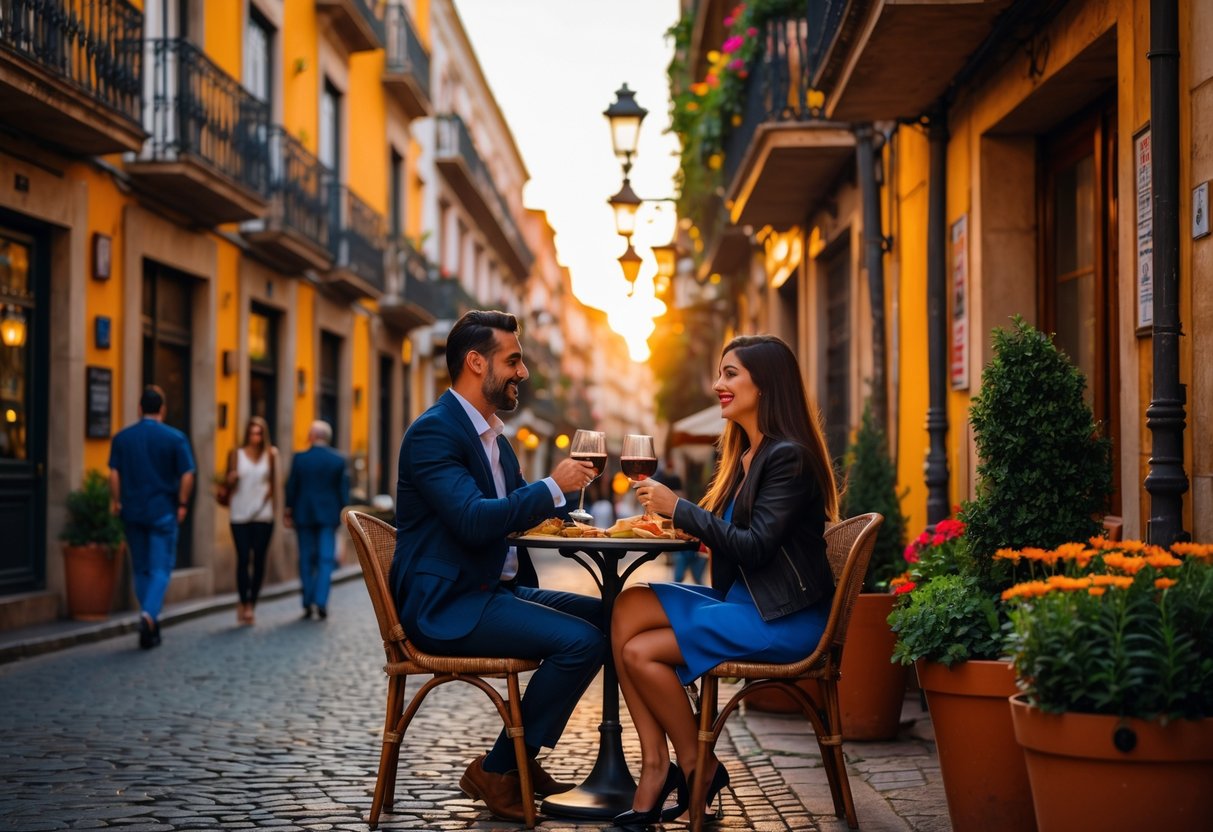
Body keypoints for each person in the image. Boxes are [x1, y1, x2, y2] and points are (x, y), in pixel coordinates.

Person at [611, 335, 840, 827]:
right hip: (749, 601)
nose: (719, 385)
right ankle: (656, 764)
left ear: (765, 383)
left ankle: (697, 765)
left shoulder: (789, 457)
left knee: (639, 651)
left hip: (783, 617)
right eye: (721, 373)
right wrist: (678, 522)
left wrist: (681, 509)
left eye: (730, 374)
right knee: (626, 606)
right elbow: (735, 540)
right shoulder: (747, 456)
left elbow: (754, 544)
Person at [389, 310, 605, 822]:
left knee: (611, 617)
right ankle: (503, 766)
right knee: (582, 642)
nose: (523, 372)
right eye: (513, 360)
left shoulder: (496, 439)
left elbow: (521, 513)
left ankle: (515, 767)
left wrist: (571, 513)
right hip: (449, 604)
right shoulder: (434, 434)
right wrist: (553, 485)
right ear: (474, 362)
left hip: (492, 591)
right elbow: (471, 520)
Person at [108, 385, 196, 650]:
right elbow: (187, 474)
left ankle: (150, 620)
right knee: (160, 568)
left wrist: (117, 500)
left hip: (132, 511)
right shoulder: (175, 438)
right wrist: (182, 503)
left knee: (142, 568)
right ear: (163, 410)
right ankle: (148, 615)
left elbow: (114, 474)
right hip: (162, 511)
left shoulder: (122, 438)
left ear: (139, 409)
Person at [284, 420, 349, 620]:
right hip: (328, 517)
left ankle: (307, 602)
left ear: (312, 436)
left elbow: (291, 487)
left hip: (303, 514)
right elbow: (343, 492)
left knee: (305, 559)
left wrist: (288, 511)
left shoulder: (300, 459)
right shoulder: (338, 460)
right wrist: (341, 513)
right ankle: (320, 601)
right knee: (325, 559)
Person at [225, 416, 277, 626]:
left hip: (263, 514)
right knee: (243, 557)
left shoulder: (271, 455)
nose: (255, 437)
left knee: (259, 560)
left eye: (259, 433)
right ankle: (243, 599)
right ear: (247, 433)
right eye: (252, 432)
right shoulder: (236, 454)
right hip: (239, 513)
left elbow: (274, 483)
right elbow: (227, 481)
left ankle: (250, 605)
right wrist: (230, 479)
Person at [659, 473, 706, 585]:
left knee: (680, 579)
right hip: (687, 549)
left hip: (690, 549)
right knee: (684, 579)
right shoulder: (686, 504)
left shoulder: (677, 505)